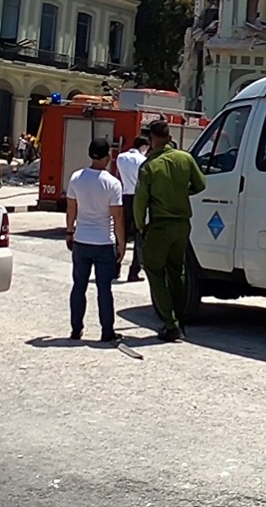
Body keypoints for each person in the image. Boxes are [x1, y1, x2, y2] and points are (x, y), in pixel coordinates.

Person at [134, 119, 207, 342]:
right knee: (178, 271)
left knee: (155, 271)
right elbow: (201, 184)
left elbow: (140, 202)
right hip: (182, 224)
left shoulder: (149, 166)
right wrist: (182, 192)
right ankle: (181, 318)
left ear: (152, 138)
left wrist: (140, 226)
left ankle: (170, 323)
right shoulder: (185, 158)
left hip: (160, 225)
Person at [65, 139, 127, 343]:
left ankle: (76, 329)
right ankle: (106, 331)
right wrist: (122, 243)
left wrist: (69, 231)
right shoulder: (112, 183)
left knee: (78, 286)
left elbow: (71, 208)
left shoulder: (76, 178)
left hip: (81, 240)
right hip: (103, 242)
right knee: (104, 288)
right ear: (107, 156)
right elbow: (117, 216)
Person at [113, 135, 149, 281]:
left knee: (121, 234)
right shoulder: (144, 161)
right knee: (139, 237)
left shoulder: (121, 158)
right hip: (138, 197)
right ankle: (134, 271)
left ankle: (115, 267)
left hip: (124, 196)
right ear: (143, 146)